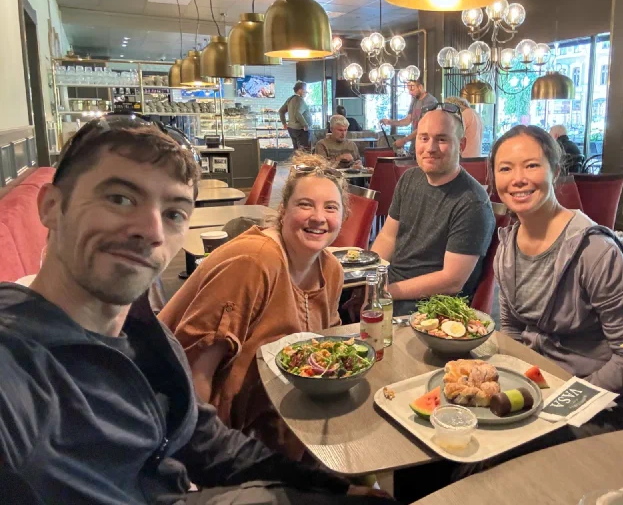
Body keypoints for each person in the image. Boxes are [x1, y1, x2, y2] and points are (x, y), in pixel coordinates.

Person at [0, 117, 389, 504]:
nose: (151, 230)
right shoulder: (16, 367)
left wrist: (334, 489)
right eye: (120, 198)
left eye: (173, 213)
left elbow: (206, 442)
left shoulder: (141, 333)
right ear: (51, 206)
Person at [159, 154, 348, 455]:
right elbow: (196, 370)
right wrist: (203, 457)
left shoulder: (331, 270)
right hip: (222, 436)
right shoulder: (255, 261)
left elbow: (326, 351)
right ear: (283, 210)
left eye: (330, 207)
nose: (318, 217)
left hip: (283, 420)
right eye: (305, 204)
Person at [492, 125, 623, 429]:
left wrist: (560, 405)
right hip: (535, 390)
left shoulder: (595, 251)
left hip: (598, 406)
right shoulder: (507, 246)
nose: (517, 178)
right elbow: (512, 329)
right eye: (505, 168)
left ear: (555, 170)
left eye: (531, 165)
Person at [369, 105, 495, 316]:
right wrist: (370, 282)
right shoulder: (410, 178)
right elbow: (388, 237)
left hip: (431, 307)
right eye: (424, 138)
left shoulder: (472, 202)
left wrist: (384, 292)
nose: (430, 148)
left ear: (461, 145)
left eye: (442, 139)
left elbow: (451, 281)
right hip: (392, 287)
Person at [380, 79, 437, 151]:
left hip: (425, 144)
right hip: (415, 143)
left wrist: (404, 140)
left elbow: (424, 127)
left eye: (412, 89)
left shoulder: (430, 101)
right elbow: (407, 120)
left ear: (420, 87)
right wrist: (389, 122)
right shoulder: (415, 100)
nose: (410, 93)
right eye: (409, 90)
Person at [279, 81, 313, 151]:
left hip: (292, 129)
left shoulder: (290, 99)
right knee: (304, 152)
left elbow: (281, 111)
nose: (306, 92)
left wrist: (284, 123)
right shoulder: (300, 100)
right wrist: (305, 125)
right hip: (301, 130)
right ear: (300, 90)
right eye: (305, 90)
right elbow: (297, 113)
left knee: (296, 151)